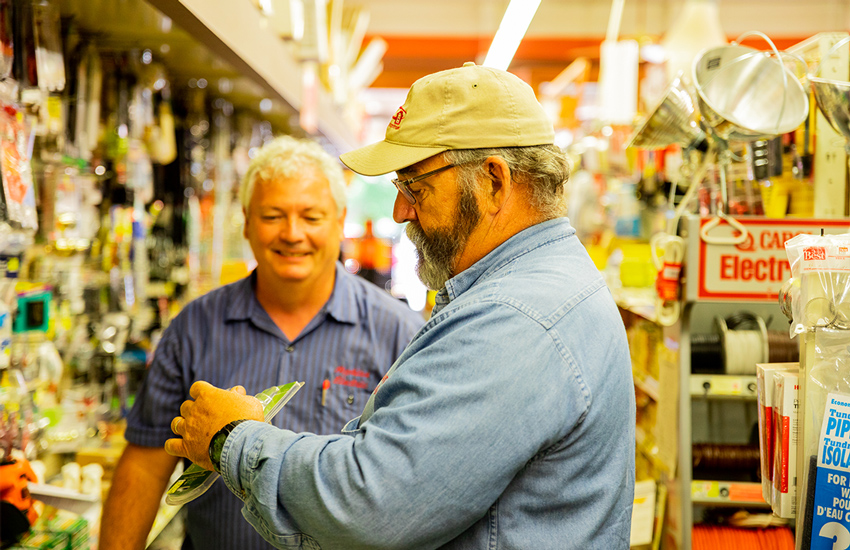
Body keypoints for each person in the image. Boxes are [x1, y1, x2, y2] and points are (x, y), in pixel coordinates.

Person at [165, 62, 636, 549]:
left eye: (415, 186)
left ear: (494, 182)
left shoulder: (515, 318)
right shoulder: (546, 288)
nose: (399, 212)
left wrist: (233, 439)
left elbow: (371, 505)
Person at [100, 136, 423, 550]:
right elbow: (145, 465)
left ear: (340, 221)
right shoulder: (194, 327)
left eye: (311, 217)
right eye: (273, 216)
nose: (292, 234)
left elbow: (409, 484)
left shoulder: (398, 333)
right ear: (247, 221)